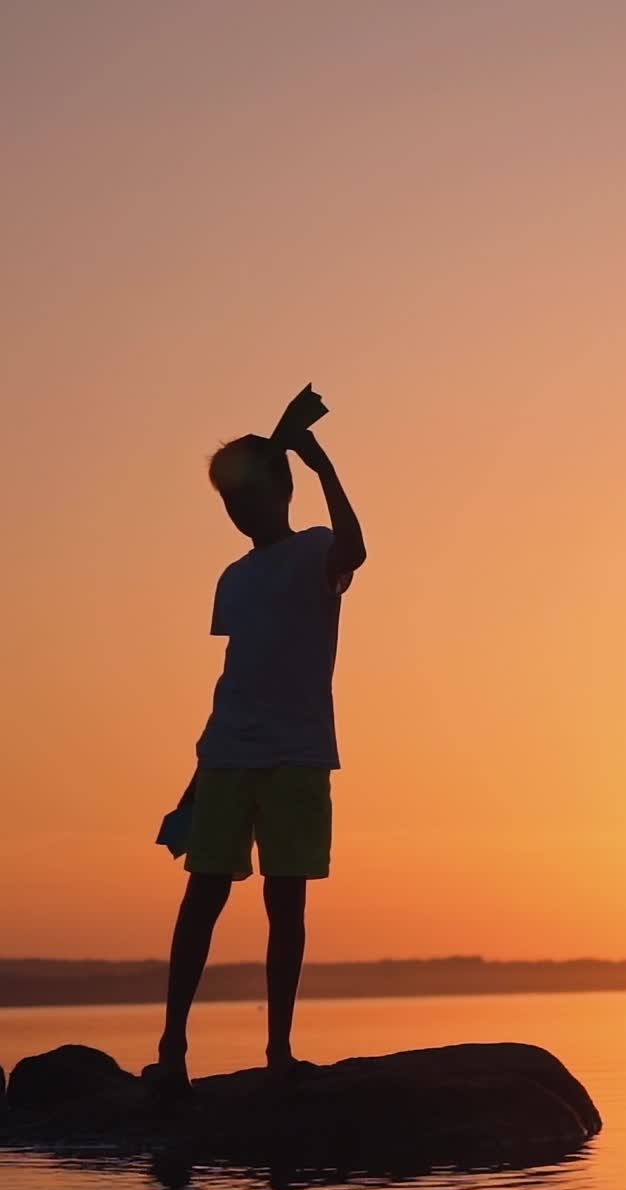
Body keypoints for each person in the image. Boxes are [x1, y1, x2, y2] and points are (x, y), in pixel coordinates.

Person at [145, 385, 367, 1096]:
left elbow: (359, 548)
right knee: (202, 895)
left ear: (280, 491)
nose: (238, 512)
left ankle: (278, 1051)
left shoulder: (318, 552)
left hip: (299, 754)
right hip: (229, 754)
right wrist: (194, 779)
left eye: (245, 496)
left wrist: (321, 460)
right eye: (227, 503)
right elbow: (234, 678)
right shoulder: (234, 579)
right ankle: (173, 1049)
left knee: (286, 902)